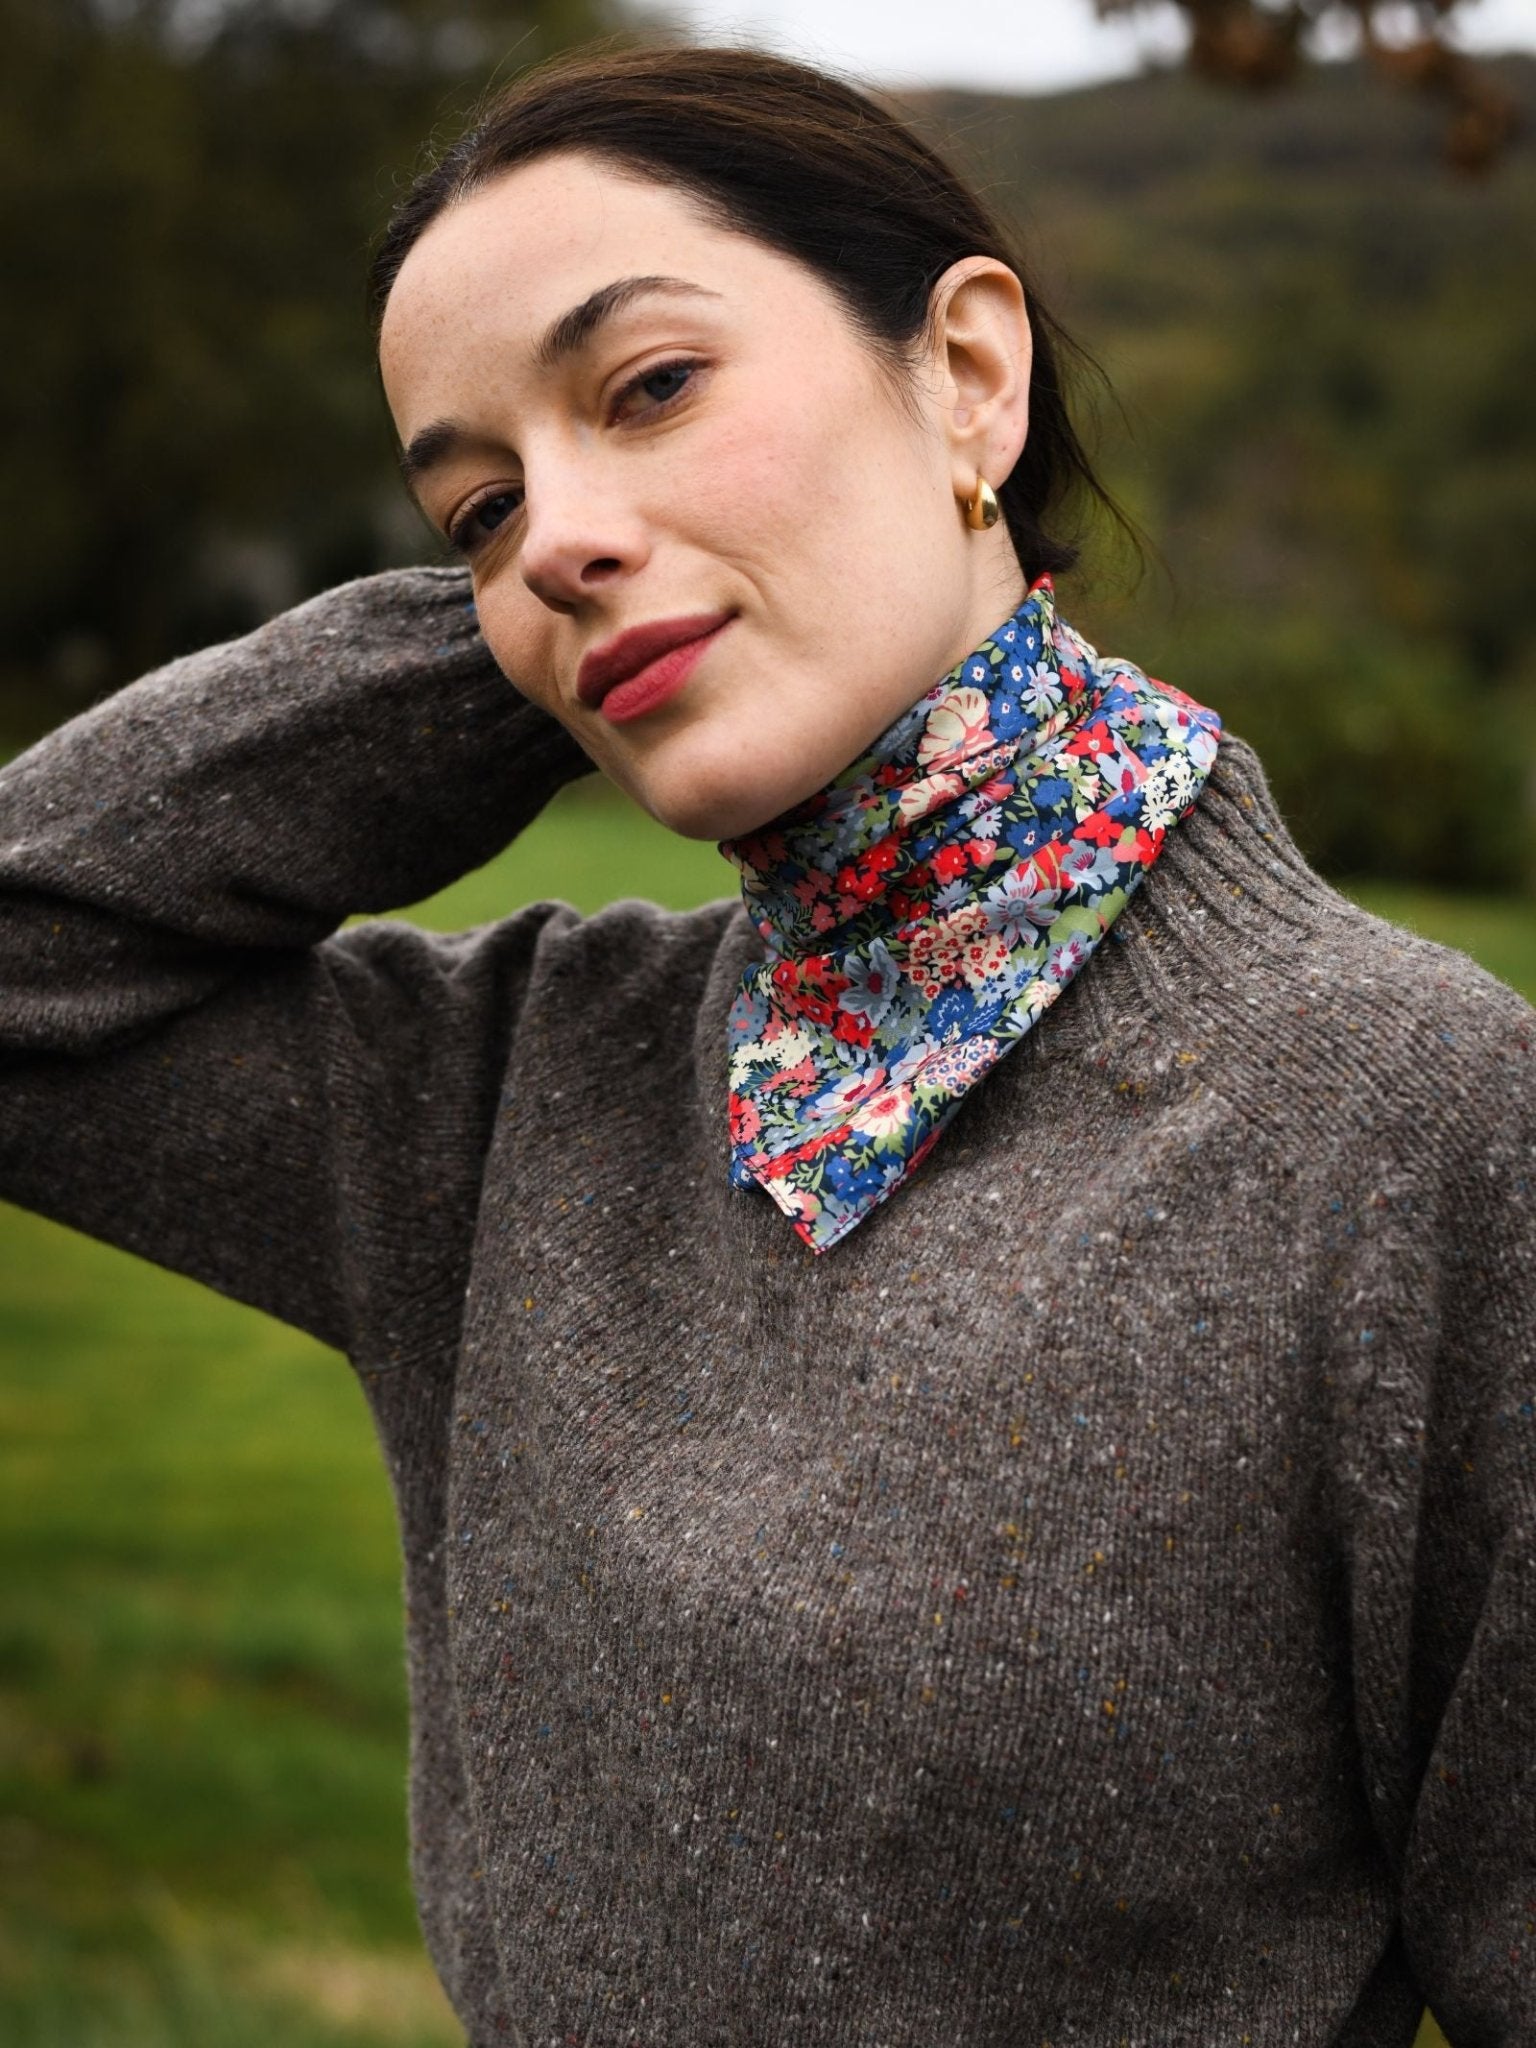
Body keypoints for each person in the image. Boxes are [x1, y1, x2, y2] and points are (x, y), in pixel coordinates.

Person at [2, 38, 1531, 2048]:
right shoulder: (509, 1093)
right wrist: (544, 619)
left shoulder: (1410, 1121)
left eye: (649, 387)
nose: (550, 534)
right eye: (474, 505)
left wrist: (624, 561)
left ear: (969, 374)